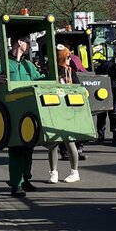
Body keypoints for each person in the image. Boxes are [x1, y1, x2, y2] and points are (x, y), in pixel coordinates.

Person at [0, 33, 46, 197]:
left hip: (27, 112)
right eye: (27, 42)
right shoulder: (1, 63)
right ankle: (16, 183)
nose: (29, 45)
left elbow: (40, 79)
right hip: (11, 112)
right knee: (16, 149)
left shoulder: (29, 65)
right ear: (18, 42)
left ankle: (26, 179)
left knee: (28, 147)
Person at [46, 45, 82, 183]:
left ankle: (74, 171)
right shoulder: (51, 72)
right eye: (67, 57)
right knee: (53, 142)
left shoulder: (71, 72)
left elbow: (78, 88)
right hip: (54, 109)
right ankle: (53, 172)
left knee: (70, 141)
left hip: (68, 110)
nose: (69, 60)